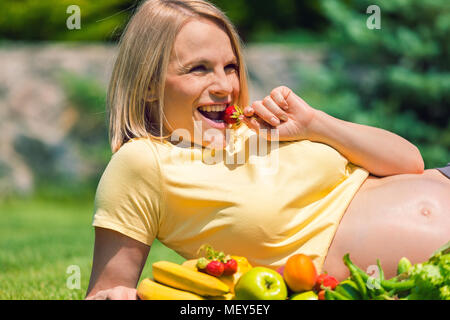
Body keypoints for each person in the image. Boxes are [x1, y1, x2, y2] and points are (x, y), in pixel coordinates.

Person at [85, 0, 450, 300]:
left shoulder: (265, 123)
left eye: (230, 67)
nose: (225, 85)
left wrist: (315, 124)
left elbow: (410, 161)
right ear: (149, 84)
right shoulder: (143, 163)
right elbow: (107, 291)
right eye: (199, 69)